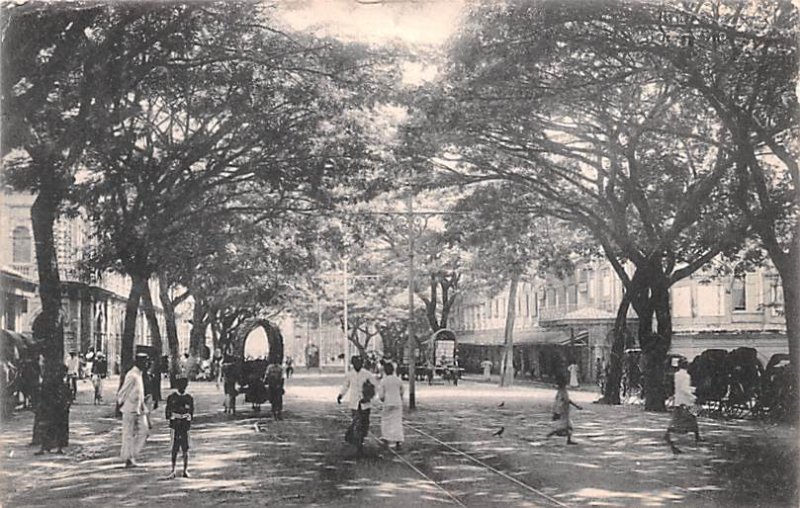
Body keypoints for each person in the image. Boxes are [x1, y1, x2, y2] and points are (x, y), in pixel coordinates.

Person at [337, 356, 377, 455]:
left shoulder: (367, 374)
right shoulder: (350, 374)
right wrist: (340, 395)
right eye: (355, 363)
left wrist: (368, 397)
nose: (357, 365)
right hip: (354, 402)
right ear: (353, 364)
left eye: (359, 363)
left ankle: (360, 438)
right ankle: (358, 442)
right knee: (356, 422)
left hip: (365, 403)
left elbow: (374, 387)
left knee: (365, 423)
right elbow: (346, 385)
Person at [117, 353, 151, 468]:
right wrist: (121, 404)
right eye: (145, 362)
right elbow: (123, 392)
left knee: (145, 431)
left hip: (139, 409)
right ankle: (128, 458)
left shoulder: (139, 374)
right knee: (128, 434)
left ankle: (132, 454)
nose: (147, 364)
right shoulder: (132, 375)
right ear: (139, 362)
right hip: (129, 409)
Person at [664, 359, 702, 454]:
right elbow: (685, 389)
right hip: (686, 401)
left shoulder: (676, 375)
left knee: (678, 418)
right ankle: (697, 436)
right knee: (692, 415)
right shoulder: (686, 376)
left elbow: (679, 387)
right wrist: (693, 396)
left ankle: (668, 433)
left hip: (678, 400)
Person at [35, 365, 72, 455]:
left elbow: (68, 394)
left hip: (59, 409)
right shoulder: (54, 382)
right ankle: (46, 447)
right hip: (53, 408)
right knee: (49, 427)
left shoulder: (63, 382)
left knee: (57, 428)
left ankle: (57, 448)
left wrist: (67, 404)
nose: (64, 374)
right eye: (63, 372)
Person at [165, 376, 194, 479]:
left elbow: (191, 414)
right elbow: (168, 413)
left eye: (184, 385)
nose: (182, 387)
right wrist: (176, 416)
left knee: (186, 448)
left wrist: (186, 417)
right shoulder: (172, 398)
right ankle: (173, 470)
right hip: (175, 427)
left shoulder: (189, 398)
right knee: (174, 448)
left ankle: (185, 470)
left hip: (185, 427)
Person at [546, 377, 583, 444]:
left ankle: (566, 438)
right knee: (566, 426)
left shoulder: (560, 391)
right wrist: (577, 406)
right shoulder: (563, 391)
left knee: (566, 425)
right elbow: (567, 400)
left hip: (561, 410)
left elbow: (558, 402)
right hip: (563, 410)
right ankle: (552, 434)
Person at [378, 362, 404, 449]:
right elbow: (402, 392)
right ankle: (398, 441)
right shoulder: (398, 380)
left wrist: (382, 400)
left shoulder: (383, 381)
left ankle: (386, 438)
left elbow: (381, 395)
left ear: (385, 371)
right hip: (397, 402)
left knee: (386, 421)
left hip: (388, 402)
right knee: (397, 421)